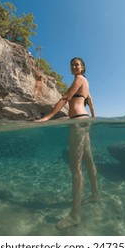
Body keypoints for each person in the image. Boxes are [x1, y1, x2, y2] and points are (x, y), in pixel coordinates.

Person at [35, 57, 99, 230]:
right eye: (72, 65)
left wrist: (47, 117)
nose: (74, 66)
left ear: (83, 67)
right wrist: (92, 120)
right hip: (84, 120)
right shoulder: (85, 82)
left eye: (77, 64)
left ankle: (75, 215)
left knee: (76, 168)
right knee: (88, 161)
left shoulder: (78, 79)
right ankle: (95, 195)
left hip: (77, 122)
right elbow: (91, 103)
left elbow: (65, 98)